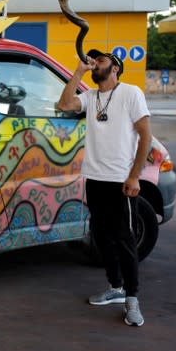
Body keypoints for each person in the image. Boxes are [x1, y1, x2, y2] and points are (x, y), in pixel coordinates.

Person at [57, 49, 152, 327]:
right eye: (93, 61)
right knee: (102, 236)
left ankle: (132, 299)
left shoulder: (131, 93)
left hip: (121, 180)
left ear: (115, 69)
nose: (95, 64)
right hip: (95, 178)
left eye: (100, 61)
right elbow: (64, 105)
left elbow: (146, 136)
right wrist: (78, 72)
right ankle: (115, 287)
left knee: (124, 238)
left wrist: (135, 177)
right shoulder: (90, 97)